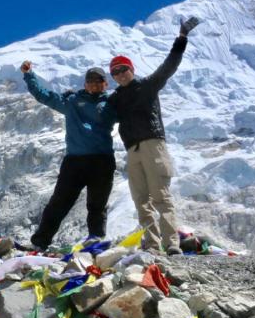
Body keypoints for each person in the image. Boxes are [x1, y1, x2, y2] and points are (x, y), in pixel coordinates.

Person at [106, 16, 201, 255]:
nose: (119, 74)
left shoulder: (147, 85)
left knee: (161, 196)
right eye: (115, 72)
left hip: (153, 144)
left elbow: (169, 66)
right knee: (140, 200)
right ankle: (152, 245)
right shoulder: (115, 99)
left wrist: (181, 39)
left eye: (123, 69)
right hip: (132, 150)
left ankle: (172, 244)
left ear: (131, 69)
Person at [20, 62, 116, 249]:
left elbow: (133, 114)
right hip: (74, 161)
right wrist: (29, 74)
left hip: (103, 161)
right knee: (58, 203)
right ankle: (40, 243)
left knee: (98, 204)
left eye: (99, 81)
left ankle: (95, 240)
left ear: (106, 84)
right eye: (90, 81)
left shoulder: (112, 104)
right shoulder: (71, 102)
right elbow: (44, 95)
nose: (94, 84)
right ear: (85, 84)